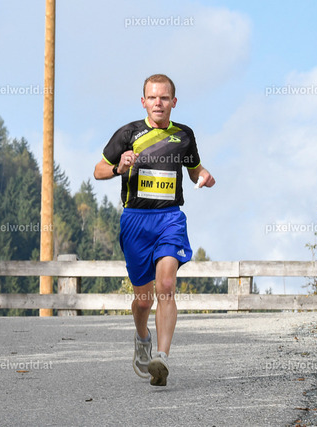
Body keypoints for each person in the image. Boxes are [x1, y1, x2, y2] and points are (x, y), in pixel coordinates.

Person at [93, 74, 215, 387]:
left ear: (174, 102)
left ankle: (162, 357)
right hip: (135, 220)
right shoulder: (128, 133)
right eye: (152, 97)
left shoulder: (183, 135)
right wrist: (119, 167)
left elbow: (194, 169)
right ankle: (142, 338)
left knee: (167, 285)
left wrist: (204, 176)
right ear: (143, 101)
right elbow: (98, 170)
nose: (158, 103)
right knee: (144, 299)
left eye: (164, 98)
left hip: (170, 219)